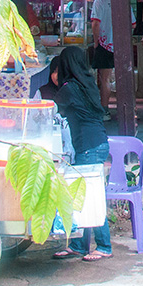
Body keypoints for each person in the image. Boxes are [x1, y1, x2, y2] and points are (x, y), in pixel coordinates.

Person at [51, 47, 112, 261]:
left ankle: (104, 246)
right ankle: (78, 245)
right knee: (83, 194)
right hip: (99, 142)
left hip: (87, 146)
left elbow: (52, 109)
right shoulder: (88, 85)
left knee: (89, 196)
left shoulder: (68, 88)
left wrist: (55, 81)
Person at [90, 0, 114, 120]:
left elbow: (95, 23)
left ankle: (104, 110)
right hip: (118, 44)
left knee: (104, 79)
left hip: (104, 43)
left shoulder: (99, 1)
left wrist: (95, 41)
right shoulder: (123, 1)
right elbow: (133, 24)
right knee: (113, 78)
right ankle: (130, 109)